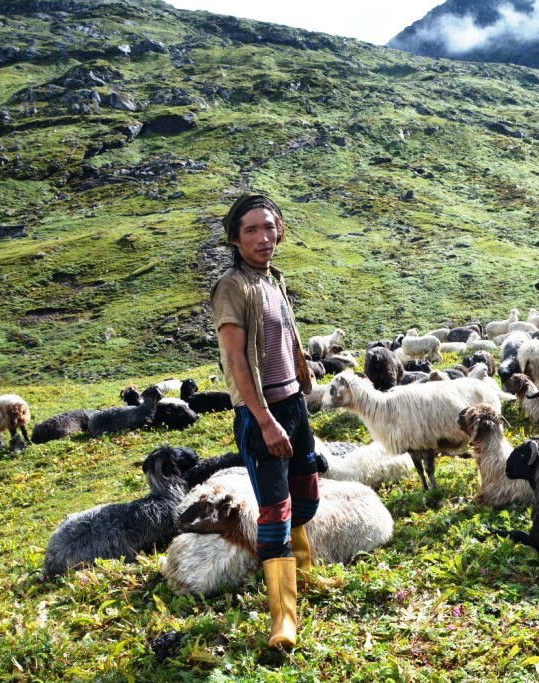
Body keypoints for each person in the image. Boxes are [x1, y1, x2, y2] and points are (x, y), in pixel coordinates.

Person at [211, 193, 326, 650]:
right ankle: (283, 619)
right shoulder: (232, 287)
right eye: (251, 230)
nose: (263, 238)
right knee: (275, 513)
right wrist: (264, 421)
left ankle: (305, 572)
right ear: (235, 239)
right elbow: (236, 360)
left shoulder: (272, 279)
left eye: (269, 227)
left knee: (306, 497)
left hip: (293, 405)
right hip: (262, 414)